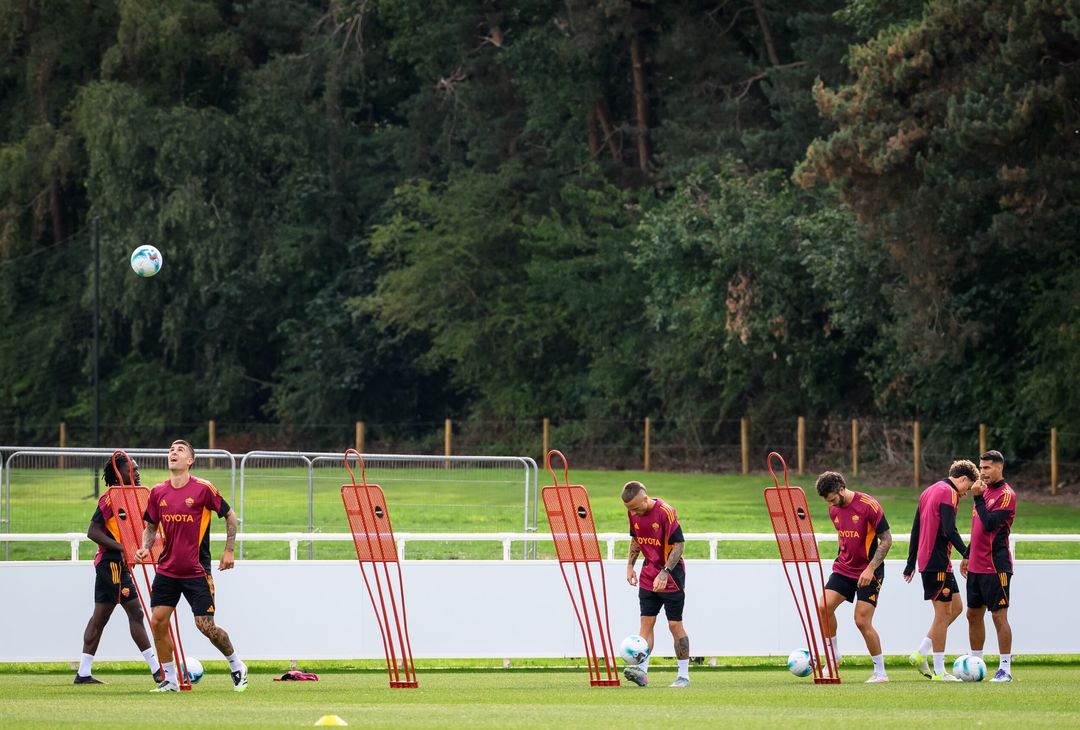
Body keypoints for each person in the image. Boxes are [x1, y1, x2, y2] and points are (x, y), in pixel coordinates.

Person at [134, 439, 247, 692]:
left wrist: (228, 550)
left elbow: (231, 516)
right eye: (171, 449)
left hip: (196, 570)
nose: (173, 452)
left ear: (190, 461)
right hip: (167, 570)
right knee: (158, 622)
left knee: (205, 626)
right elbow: (151, 526)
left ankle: (237, 665)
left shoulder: (203, 489)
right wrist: (145, 546)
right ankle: (171, 680)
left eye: (180, 450)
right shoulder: (158, 492)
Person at [74, 454, 163, 685]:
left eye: (137, 468)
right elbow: (93, 531)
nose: (137, 472)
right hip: (110, 563)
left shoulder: (135, 495)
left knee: (103, 617)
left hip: (121, 564)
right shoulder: (110, 498)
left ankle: (83, 672)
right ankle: (156, 670)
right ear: (118, 474)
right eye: (131, 469)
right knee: (132, 613)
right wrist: (122, 547)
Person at [814, 471, 893, 683]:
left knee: (861, 621)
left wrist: (870, 569)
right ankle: (833, 655)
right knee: (823, 607)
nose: (831, 505)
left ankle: (880, 672)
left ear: (841, 489)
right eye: (827, 502)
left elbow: (886, 540)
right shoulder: (834, 510)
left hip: (869, 570)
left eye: (832, 499)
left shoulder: (869, 505)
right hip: (843, 568)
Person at [903, 459, 978, 681]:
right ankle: (939, 671)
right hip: (936, 563)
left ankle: (921, 652)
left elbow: (915, 528)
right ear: (963, 479)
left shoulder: (929, 491)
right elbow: (949, 528)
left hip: (935, 562)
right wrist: (967, 552)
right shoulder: (949, 492)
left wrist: (910, 561)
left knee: (956, 608)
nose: (966, 494)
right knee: (943, 614)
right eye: (968, 487)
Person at [621, 480, 690, 688]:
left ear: (645, 498)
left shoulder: (666, 512)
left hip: (672, 577)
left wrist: (665, 572)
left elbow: (679, 545)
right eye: (629, 509)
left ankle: (683, 676)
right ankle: (641, 672)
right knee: (646, 624)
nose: (633, 512)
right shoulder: (633, 512)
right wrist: (630, 566)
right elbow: (636, 539)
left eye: (635, 507)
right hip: (648, 575)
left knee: (674, 625)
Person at [961, 450, 1017, 682]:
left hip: (996, 567)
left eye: (986, 468)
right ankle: (976, 664)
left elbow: (990, 524)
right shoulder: (983, 492)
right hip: (976, 565)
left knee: (998, 616)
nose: (982, 472)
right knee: (973, 615)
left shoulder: (1006, 494)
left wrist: (976, 498)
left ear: (999, 468)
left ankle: (1005, 669)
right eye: (980, 468)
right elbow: (977, 531)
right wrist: (967, 554)